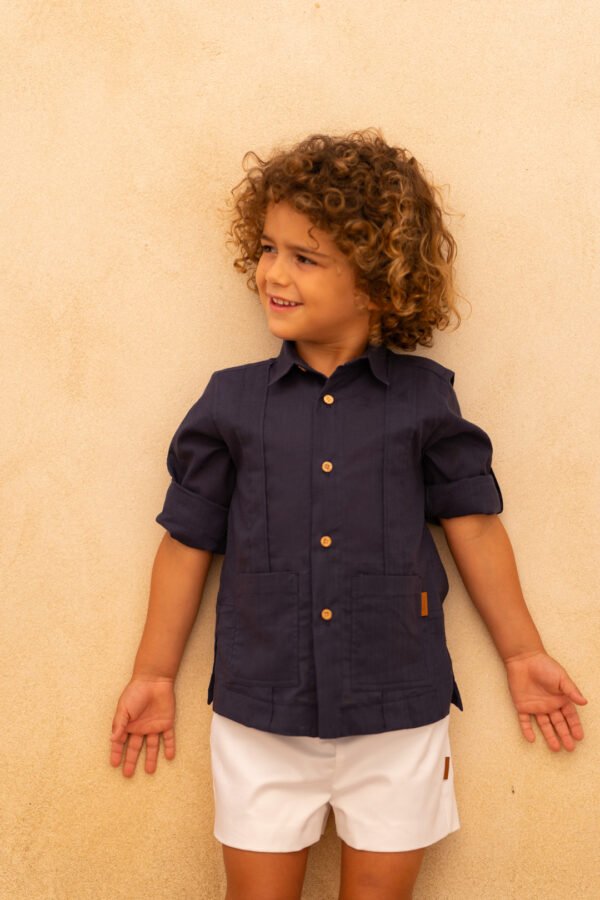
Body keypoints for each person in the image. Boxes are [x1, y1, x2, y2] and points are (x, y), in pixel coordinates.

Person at [109, 128, 587, 900]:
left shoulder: (425, 399)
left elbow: (473, 524)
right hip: (260, 711)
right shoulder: (231, 402)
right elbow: (187, 541)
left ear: (376, 280)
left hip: (398, 707)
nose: (273, 272)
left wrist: (523, 654)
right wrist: (154, 673)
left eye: (305, 257)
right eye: (268, 249)